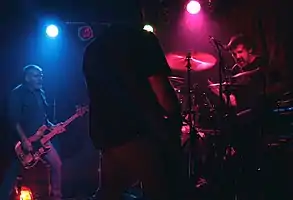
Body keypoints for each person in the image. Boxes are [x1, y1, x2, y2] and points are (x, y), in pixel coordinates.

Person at [83, 1, 192, 200]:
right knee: (162, 191)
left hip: (105, 133)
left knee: (109, 193)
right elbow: (162, 91)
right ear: (137, 13)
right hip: (138, 132)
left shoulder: (93, 48)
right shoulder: (143, 39)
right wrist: (175, 120)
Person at [209, 34, 267, 199]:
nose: (237, 57)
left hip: (261, 112)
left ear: (249, 49)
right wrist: (221, 94)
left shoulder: (260, 64)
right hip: (243, 116)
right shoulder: (235, 70)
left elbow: (262, 96)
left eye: (240, 52)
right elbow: (233, 103)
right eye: (234, 54)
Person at [0, 65, 64, 200]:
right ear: (27, 78)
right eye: (36, 76)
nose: (40, 78)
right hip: (22, 142)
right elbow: (13, 119)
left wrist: (53, 127)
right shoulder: (17, 93)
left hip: (41, 139)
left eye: (41, 75)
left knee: (56, 164)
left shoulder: (41, 93)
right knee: (13, 172)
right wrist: (24, 140)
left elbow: (43, 117)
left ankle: (56, 196)